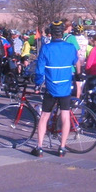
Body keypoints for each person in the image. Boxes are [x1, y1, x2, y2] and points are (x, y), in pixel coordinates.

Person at [32, 21, 77, 156]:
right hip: (65, 87)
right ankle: (62, 148)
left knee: (44, 116)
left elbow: (40, 70)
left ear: (51, 34)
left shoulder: (46, 48)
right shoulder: (70, 47)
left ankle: (39, 147)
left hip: (51, 88)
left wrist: (37, 83)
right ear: (63, 33)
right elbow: (75, 62)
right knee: (65, 116)